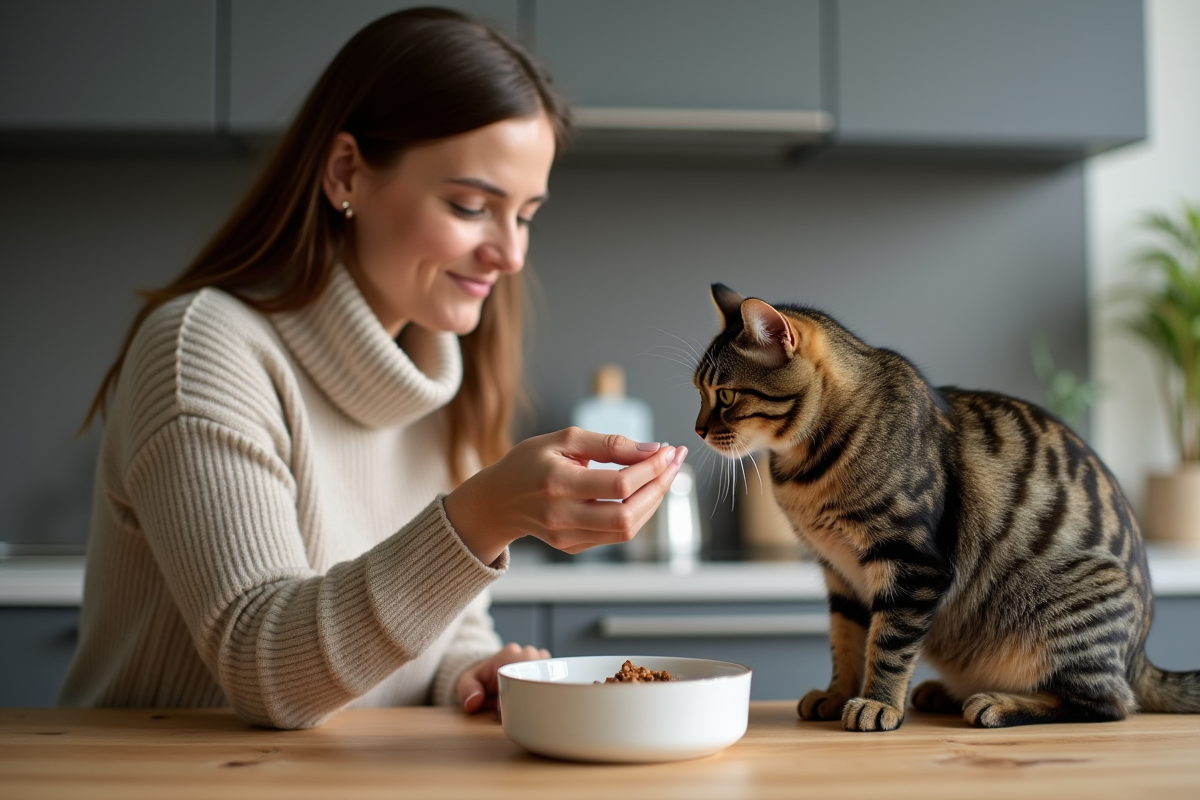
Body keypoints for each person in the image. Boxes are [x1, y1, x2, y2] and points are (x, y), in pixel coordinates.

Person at [57, 7, 686, 730]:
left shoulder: (449, 374)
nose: (510, 255)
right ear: (345, 172)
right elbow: (268, 670)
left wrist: (467, 673)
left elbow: (448, 627)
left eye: (525, 215)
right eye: (471, 205)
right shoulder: (204, 349)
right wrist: (481, 517)